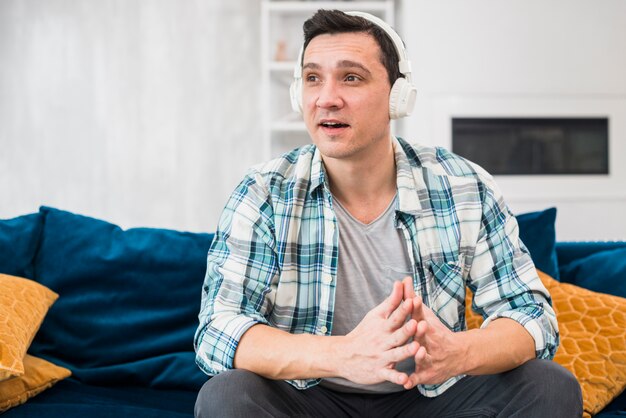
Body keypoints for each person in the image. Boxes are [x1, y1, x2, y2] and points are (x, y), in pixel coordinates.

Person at [194, 9, 582, 417]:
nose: (327, 98)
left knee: (550, 386)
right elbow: (219, 330)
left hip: (432, 397)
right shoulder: (264, 192)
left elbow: (531, 316)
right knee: (226, 395)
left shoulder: (464, 185)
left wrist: (455, 353)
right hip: (312, 398)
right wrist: (344, 355)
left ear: (398, 96)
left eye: (351, 77)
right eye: (312, 78)